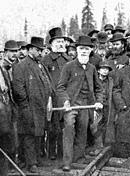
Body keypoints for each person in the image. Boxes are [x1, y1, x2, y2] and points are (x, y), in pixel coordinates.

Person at [57, 35, 103, 172]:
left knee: (83, 131)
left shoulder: (92, 68)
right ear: (77, 50)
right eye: (81, 48)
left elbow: (99, 88)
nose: (84, 51)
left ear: (90, 51)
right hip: (71, 105)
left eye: (87, 49)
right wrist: (65, 101)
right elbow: (60, 87)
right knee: (69, 129)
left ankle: (78, 158)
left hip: (86, 105)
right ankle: (67, 162)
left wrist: (99, 101)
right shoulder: (68, 66)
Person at [13, 36, 54, 173]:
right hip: (29, 107)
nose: (41, 53)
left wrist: (48, 98)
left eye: (42, 50)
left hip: (41, 106)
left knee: (39, 134)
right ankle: (31, 163)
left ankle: (37, 158)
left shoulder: (40, 65)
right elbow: (19, 89)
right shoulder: (22, 66)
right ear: (30, 49)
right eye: (38, 50)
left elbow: (47, 84)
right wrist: (25, 107)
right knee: (29, 135)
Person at [42, 27, 71, 160]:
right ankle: (51, 152)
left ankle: (61, 152)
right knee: (52, 127)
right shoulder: (46, 60)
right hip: (51, 98)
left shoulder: (68, 59)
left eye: (62, 41)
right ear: (51, 44)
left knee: (64, 126)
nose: (60, 44)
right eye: (57, 41)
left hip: (65, 97)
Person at [89, 60, 114, 156]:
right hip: (96, 106)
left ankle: (100, 147)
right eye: (103, 69)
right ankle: (97, 147)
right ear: (98, 71)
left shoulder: (110, 81)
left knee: (104, 126)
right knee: (95, 126)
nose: (105, 71)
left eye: (107, 69)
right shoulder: (94, 80)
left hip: (107, 106)